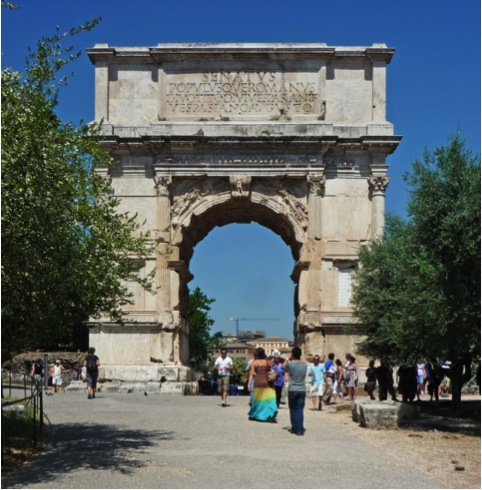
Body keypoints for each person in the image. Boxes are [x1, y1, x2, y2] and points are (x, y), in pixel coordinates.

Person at [248, 348, 278, 422]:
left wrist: (249, 383)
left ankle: (256, 414)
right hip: (267, 382)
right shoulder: (267, 362)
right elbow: (272, 368)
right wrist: (267, 358)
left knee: (258, 399)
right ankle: (269, 414)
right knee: (269, 399)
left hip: (258, 382)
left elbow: (251, 374)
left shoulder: (254, 363)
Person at [282, 346, 308, 436]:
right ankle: (300, 429)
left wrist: (287, 358)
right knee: (300, 409)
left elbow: (282, 367)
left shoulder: (290, 364)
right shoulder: (305, 365)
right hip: (302, 389)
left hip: (293, 389)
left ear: (292, 354)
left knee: (293, 409)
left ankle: (294, 427)